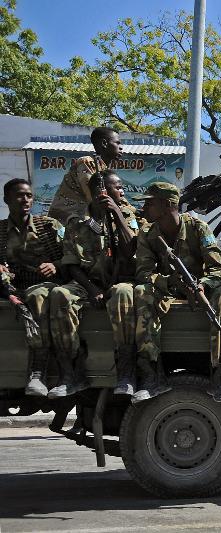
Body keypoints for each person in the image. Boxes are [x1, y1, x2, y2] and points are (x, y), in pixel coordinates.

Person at [133, 182, 221, 403]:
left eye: (151, 203)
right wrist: (169, 282)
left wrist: (203, 285)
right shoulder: (148, 233)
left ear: (168, 204)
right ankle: (151, 375)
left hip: (199, 290)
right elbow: (143, 273)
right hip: (167, 291)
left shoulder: (198, 228)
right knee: (142, 291)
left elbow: (219, 269)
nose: (146, 207)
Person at [49, 170, 143, 398]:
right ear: (97, 192)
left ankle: (126, 369)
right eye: (116, 188)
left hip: (120, 281)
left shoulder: (130, 216)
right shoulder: (77, 223)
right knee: (60, 294)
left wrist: (118, 215)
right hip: (87, 282)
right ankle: (71, 370)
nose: (121, 192)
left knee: (123, 294)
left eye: (121, 187)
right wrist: (92, 289)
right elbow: (71, 264)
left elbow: (132, 250)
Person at [0, 178, 66, 396]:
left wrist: (55, 265)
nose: (26, 200)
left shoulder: (48, 227)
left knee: (38, 296)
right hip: (11, 290)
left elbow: (74, 256)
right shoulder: (0, 231)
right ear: (6, 200)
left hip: (44, 288)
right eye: (19, 195)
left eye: (29, 195)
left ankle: (38, 370)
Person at [47, 127, 123, 223]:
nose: (121, 147)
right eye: (117, 143)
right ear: (104, 143)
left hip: (80, 220)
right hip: (66, 221)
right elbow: (97, 198)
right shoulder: (87, 162)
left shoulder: (104, 169)